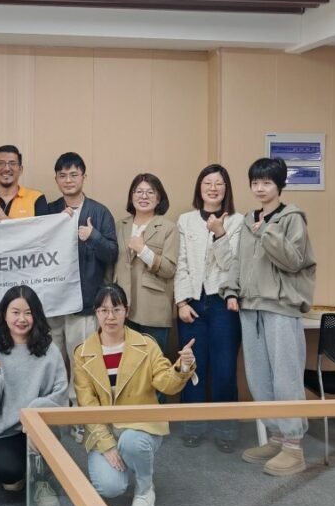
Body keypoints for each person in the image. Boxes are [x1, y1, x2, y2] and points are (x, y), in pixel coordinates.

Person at [223, 157, 316, 477]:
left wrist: (268, 233)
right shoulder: (249, 219)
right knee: (259, 378)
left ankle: (294, 447)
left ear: (279, 185)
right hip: (251, 307)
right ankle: (277, 437)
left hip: (280, 308)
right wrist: (231, 291)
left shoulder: (292, 218)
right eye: (255, 183)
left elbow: (294, 261)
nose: (260, 188)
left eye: (266, 183)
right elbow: (239, 261)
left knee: (286, 376)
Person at [73, 284, 196, 506]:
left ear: (126, 311)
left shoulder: (146, 344)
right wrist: (107, 445)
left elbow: (166, 384)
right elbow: (87, 404)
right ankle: (131, 462)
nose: (110, 317)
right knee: (110, 487)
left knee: (131, 442)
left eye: (116, 309)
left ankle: (144, 487)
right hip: (106, 430)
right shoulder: (82, 353)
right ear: (96, 312)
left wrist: (184, 366)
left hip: (141, 428)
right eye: (104, 310)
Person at [0, 285, 69, 506]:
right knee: (10, 478)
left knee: (39, 437)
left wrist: (33, 413)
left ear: (36, 315)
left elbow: (61, 396)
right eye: (15, 312)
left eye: (28, 313)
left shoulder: (50, 350)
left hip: (39, 427)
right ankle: (27, 470)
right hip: (4, 429)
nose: (22, 319)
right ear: (4, 314)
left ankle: (42, 482)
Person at [47, 151, 118, 442]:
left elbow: (112, 253)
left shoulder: (99, 212)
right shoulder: (48, 209)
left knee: (83, 362)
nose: (68, 180)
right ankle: (53, 416)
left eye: (73, 174)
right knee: (51, 360)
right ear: (57, 179)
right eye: (62, 175)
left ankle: (80, 416)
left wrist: (94, 237)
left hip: (84, 303)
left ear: (83, 177)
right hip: (51, 302)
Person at [174, 164, 244, 453]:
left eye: (219, 183)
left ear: (226, 189)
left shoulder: (238, 221)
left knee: (225, 368)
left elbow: (232, 264)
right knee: (192, 367)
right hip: (191, 302)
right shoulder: (186, 220)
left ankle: (226, 428)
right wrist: (180, 302)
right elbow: (181, 264)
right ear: (199, 187)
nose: (213, 188)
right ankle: (193, 426)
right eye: (207, 183)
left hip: (222, 302)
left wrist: (218, 233)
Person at [114, 173, 177, 352]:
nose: (143, 196)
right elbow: (112, 266)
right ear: (131, 196)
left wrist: (143, 250)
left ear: (159, 198)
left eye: (150, 192)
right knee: (124, 367)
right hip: (121, 308)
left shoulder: (168, 228)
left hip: (154, 310)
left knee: (152, 369)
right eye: (138, 191)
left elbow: (169, 269)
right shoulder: (120, 225)